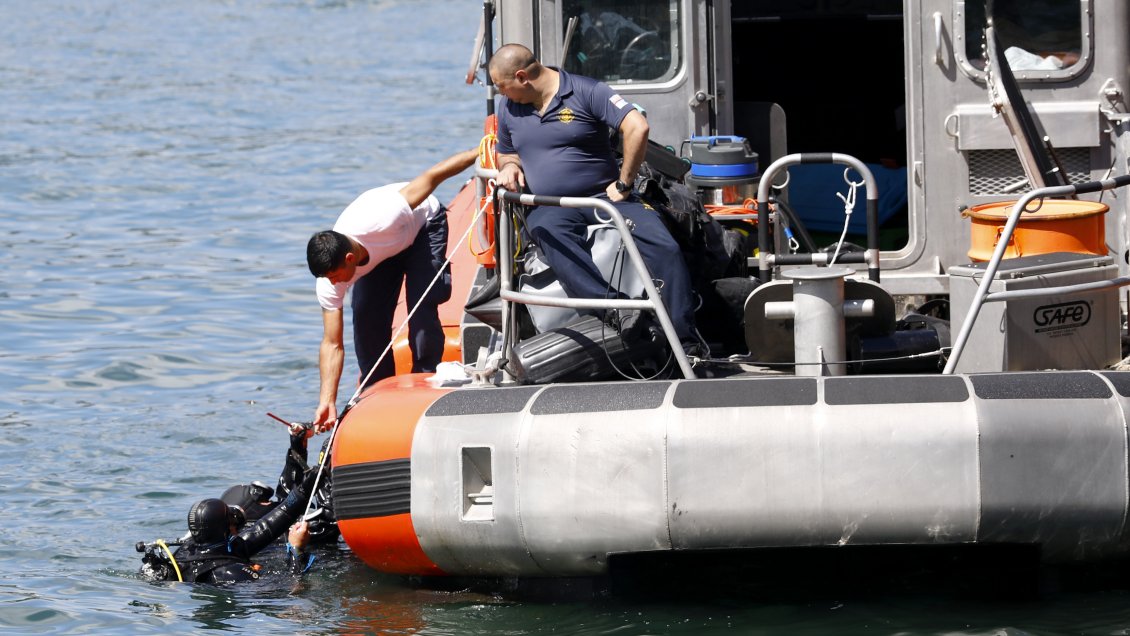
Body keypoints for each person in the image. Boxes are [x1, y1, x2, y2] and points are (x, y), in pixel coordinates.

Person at [487, 43, 701, 355]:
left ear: (522, 77)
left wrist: (624, 182)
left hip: (606, 197)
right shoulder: (508, 107)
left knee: (663, 246)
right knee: (547, 232)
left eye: (502, 86)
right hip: (552, 205)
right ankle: (618, 311)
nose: (501, 93)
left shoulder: (587, 91)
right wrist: (508, 167)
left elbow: (637, 126)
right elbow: (507, 152)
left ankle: (687, 343)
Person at [306, 148, 480, 433]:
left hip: (422, 228)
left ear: (349, 259)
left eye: (336, 277)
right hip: (384, 250)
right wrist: (327, 400)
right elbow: (332, 343)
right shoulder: (329, 278)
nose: (334, 284)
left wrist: (481, 149)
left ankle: (426, 382)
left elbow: (433, 176)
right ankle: (376, 394)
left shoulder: (385, 215)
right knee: (366, 321)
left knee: (421, 310)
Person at [138, 467, 319, 584]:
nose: (238, 523)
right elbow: (290, 588)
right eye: (232, 520)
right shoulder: (227, 573)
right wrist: (296, 550)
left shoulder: (192, 549)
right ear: (225, 530)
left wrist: (304, 489)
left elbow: (267, 526)